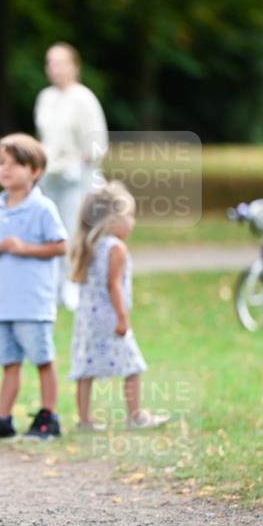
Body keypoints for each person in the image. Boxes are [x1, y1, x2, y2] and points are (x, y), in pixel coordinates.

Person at [0, 134, 67, 446]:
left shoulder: (43, 208)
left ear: (35, 171)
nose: (6, 170)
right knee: (9, 362)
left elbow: (60, 246)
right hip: (1, 301)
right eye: (1, 163)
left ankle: (49, 415)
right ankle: (2, 418)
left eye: (15, 164)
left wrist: (23, 248)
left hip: (32, 301)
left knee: (42, 359)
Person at [68, 180, 169, 431]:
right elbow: (114, 286)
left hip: (86, 321)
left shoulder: (89, 246)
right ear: (110, 220)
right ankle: (135, 415)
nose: (132, 223)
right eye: (129, 216)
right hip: (109, 319)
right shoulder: (116, 249)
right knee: (132, 366)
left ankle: (84, 419)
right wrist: (122, 318)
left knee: (85, 368)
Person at [34, 42, 108, 310]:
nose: (55, 69)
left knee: (74, 230)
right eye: (50, 63)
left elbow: (98, 142)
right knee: (51, 231)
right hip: (49, 175)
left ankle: (74, 284)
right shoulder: (46, 97)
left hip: (76, 177)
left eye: (61, 63)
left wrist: (83, 161)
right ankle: (51, 287)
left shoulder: (83, 98)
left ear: (74, 66)